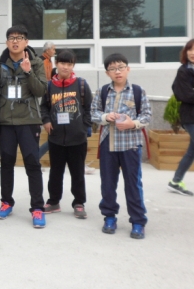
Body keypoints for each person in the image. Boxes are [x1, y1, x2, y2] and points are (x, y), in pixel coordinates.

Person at [91, 53, 152, 239]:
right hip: (108, 144)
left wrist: (132, 124)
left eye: (120, 67)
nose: (117, 72)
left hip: (130, 145)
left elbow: (147, 116)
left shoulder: (138, 91)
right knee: (108, 184)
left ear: (128, 69)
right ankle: (109, 217)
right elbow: (93, 113)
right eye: (112, 69)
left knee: (133, 184)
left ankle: (138, 221)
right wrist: (105, 117)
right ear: (107, 72)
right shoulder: (102, 91)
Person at [0, 25, 48, 228]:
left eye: (19, 38)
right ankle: (6, 202)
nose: (15, 41)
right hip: (6, 122)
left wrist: (28, 72)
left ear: (26, 42)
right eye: (11, 38)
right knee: (6, 163)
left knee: (32, 164)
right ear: (6, 42)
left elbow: (41, 91)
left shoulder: (36, 62)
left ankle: (37, 208)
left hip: (29, 121)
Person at [40, 49, 92, 219]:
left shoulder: (81, 84)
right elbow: (44, 107)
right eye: (62, 63)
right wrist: (46, 121)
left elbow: (89, 108)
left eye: (69, 64)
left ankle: (79, 203)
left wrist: (83, 127)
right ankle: (54, 201)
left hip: (77, 138)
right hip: (56, 138)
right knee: (55, 173)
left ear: (73, 66)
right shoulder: (49, 86)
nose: (65, 67)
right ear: (56, 64)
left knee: (77, 173)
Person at [168, 39, 194, 196]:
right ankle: (176, 181)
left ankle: (176, 181)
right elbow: (185, 94)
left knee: (192, 150)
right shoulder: (184, 71)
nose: (192, 53)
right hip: (190, 116)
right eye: (190, 49)